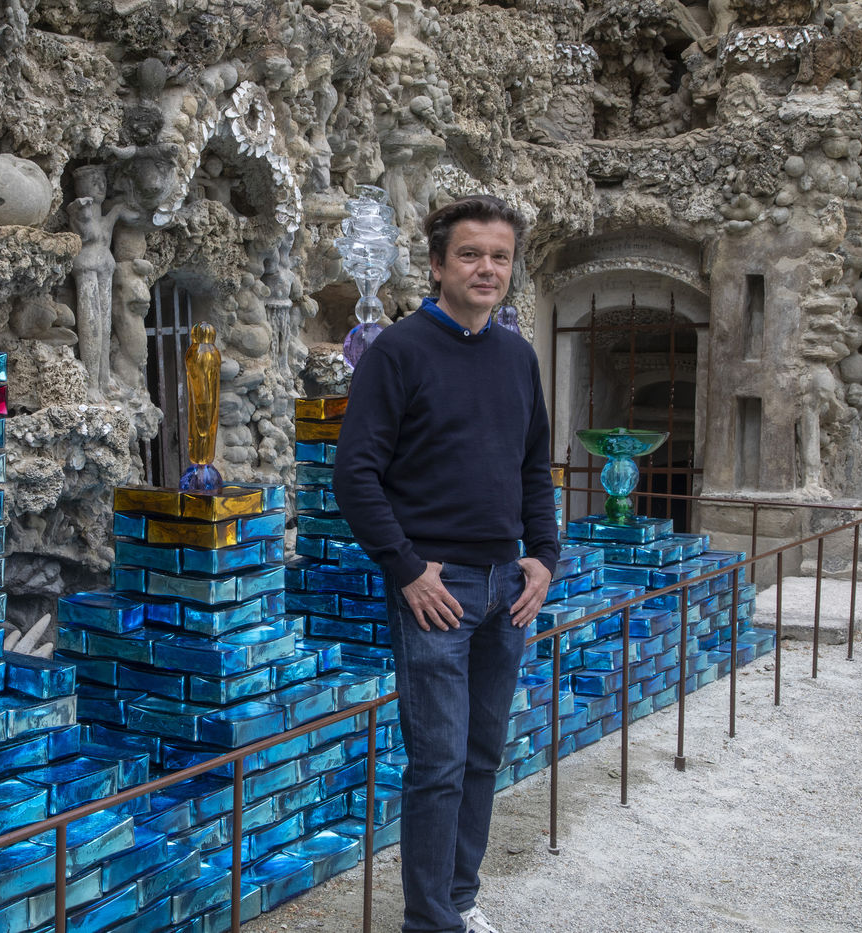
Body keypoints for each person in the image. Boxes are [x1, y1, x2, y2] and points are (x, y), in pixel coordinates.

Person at [333, 195, 559, 933]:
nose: (486, 268)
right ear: (436, 265)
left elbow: (533, 469)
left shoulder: (517, 356)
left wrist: (543, 556)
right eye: (470, 254)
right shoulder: (398, 352)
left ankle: (459, 901)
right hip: (438, 588)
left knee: (484, 753)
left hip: (507, 586)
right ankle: (429, 922)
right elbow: (355, 475)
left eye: (499, 256)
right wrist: (405, 569)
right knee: (437, 763)